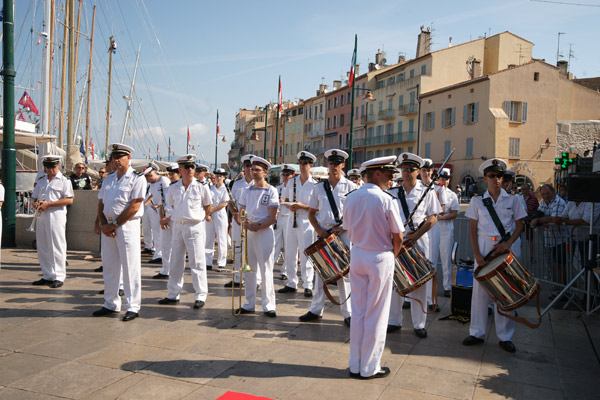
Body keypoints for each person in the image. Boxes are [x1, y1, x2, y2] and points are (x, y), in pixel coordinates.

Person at [343, 155, 404, 379]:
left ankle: (355, 364)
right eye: (389, 174)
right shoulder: (386, 199)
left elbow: (348, 227)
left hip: (358, 254)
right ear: (376, 173)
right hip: (380, 257)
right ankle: (370, 367)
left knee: (358, 312)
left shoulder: (351, 197)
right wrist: (392, 256)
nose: (392, 179)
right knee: (377, 314)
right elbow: (398, 236)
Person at [462, 158, 526, 353]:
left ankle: (505, 336)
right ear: (485, 178)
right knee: (480, 293)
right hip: (483, 246)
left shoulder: (513, 199)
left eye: (500, 176)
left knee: (504, 292)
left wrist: (508, 243)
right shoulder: (477, 201)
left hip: (505, 248)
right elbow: (472, 230)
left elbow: (520, 224)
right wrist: (477, 255)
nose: (496, 179)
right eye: (492, 176)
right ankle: (477, 332)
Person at [387, 153, 441, 338]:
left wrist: (416, 234)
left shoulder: (427, 191)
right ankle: (394, 320)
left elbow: (433, 217)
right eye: (404, 169)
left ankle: (419, 324)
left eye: (411, 169)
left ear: (418, 171)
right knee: (396, 282)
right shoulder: (393, 193)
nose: (407, 173)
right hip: (397, 243)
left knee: (419, 282)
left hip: (419, 241)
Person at [300, 149, 356, 326]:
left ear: (343, 165)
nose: (333, 167)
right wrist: (319, 230)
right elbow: (311, 213)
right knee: (320, 272)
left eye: (337, 163)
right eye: (331, 163)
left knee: (344, 274)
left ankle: (348, 313)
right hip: (324, 233)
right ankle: (316, 309)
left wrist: (344, 227)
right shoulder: (319, 187)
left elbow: (356, 215)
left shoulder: (351, 187)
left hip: (343, 234)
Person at [93, 144, 146, 322]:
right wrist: (102, 223)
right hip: (108, 225)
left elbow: (135, 205)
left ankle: (133, 306)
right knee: (109, 266)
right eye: (114, 157)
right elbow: (101, 202)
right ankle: (110, 303)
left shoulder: (137, 178)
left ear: (128, 158)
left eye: (120, 157)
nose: (116, 160)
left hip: (126, 226)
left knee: (130, 267)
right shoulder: (108, 179)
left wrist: (114, 225)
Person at [158, 154, 212, 309]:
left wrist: (201, 217)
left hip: (194, 226)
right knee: (175, 260)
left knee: (197, 261)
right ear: (180, 169)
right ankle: (173, 293)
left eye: (192, 167)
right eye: (187, 167)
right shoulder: (173, 188)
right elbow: (172, 206)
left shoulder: (201, 187)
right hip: (178, 225)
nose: (191, 169)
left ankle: (200, 294)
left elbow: (208, 206)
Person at [235, 156, 279, 317]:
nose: (253, 172)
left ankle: (268, 304)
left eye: (257, 170)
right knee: (250, 268)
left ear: (265, 172)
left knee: (266, 269)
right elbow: (241, 211)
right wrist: (245, 223)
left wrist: (258, 226)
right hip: (249, 232)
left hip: (264, 232)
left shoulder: (271, 190)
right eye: (252, 169)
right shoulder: (247, 191)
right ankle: (249, 303)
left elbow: (273, 217)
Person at [31, 155, 74, 288]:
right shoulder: (42, 180)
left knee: (57, 245)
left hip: (56, 215)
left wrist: (49, 204)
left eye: (52, 166)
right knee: (42, 245)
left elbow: (69, 199)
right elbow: (35, 196)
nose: (50, 169)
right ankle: (47, 274)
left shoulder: (64, 181)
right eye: (47, 166)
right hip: (42, 215)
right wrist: (36, 203)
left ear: (58, 165)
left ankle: (59, 276)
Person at [279, 151, 317, 297]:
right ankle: (291, 282)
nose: (302, 166)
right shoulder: (292, 182)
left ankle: (307, 284)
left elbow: (318, 208)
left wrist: (302, 206)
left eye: (305, 163)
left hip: (306, 220)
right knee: (290, 252)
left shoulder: (315, 185)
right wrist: (290, 205)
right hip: (291, 218)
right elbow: (286, 199)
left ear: (310, 165)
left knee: (306, 253)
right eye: (301, 163)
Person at [225, 154, 255, 288]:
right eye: (247, 166)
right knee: (238, 249)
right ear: (244, 167)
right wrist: (235, 215)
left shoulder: (258, 183)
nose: (249, 169)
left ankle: (255, 279)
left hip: (253, 222)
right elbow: (230, 202)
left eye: (252, 166)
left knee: (253, 251)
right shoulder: (236, 184)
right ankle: (237, 278)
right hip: (238, 221)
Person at [531, 184, 568, 288]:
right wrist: (542, 222)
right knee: (554, 265)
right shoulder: (543, 202)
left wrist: (539, 221)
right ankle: (558, 288)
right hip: (550, 240)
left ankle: (564, 289)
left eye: (547, 193)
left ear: (553, 192)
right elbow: (539, 213)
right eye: (543, 194)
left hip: (561, 239)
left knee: (561, 266)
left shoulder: (558, 202)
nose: (545, 196)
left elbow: (555, 218)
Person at [420, 158, 442, 311]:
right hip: (418, 231)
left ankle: (430, 299)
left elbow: (438, 210)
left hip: (432, 228)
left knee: (430, 263)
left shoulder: (438, 188)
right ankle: (411, 297)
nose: (426, 173)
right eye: (424, 170)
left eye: (429, 170)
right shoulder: (416, 188)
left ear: (432, 172)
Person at [436, 168, 460, 297]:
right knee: (430, 260)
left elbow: (454, 213)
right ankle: (429, 288)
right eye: (442, 179)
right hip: (433, 229)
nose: (444, 181)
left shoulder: (452, 195)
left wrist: (441, 217)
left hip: (445, 230)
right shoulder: (433, 192)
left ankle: (447, 287)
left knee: (446, 261)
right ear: (438, 179)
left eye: (446, 179)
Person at [154, 163, 181, 279]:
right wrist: (161, 219)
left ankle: (175, 271)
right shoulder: (166, 189)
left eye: (173, 174)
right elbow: (161, 205)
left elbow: (180, 208)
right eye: (169, 174)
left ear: (179, 174)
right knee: (165, 245)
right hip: (165, 218)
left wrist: (167, 219)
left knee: (176, 246)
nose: (171, 176)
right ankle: (165, 269)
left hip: (175, 219)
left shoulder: (181, 188)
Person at [144, 163, 170, 266]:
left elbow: (167, 197)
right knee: (156, 233)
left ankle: (162, 255)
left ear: (155, 172)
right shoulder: (152, 184)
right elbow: (153, 195)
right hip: (156, 210)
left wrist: (159, 205)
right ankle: (158, 254)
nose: (149, 178)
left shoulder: (164, 181)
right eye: (147, 177)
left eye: (150, 176)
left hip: (164, 209)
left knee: (163, 234)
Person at [273, 164, 297, 280]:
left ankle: (285, 271)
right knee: (275, 244)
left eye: (288, 175)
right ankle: (271, 265)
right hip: (279, 217)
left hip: (289, 217)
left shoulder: (295, 188)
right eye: (284, 175)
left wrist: (284, 202)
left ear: (292, 175)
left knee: (288, 246)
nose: (285, 177)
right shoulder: (279, 188)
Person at [205, 168, 229, 271]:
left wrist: (212, 210)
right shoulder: (210, 188)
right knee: (209, 238)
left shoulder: (225, 189)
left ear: (224, 178)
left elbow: (224, 203)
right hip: (210, 213)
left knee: (221, 238)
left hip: (219, 213)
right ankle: (208, 262)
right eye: (217, 176)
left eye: (220, 176)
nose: (218, 178)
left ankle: (221, 262)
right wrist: (208, 213)